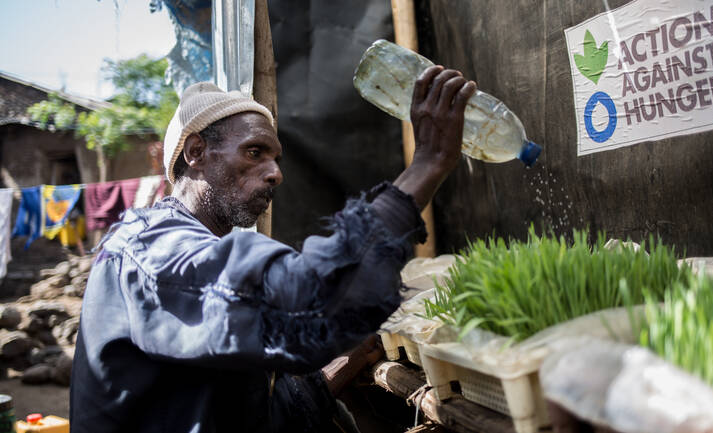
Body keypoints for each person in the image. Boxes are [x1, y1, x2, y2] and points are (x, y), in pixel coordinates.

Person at [70, 65, 476, 433]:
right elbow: (304, 296)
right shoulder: (155, 250)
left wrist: (336, 369)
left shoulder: (194, 245)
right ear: (196, 153)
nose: (276, 173)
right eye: (254, 152)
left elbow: (239, 409)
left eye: (277, 158)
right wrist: (428, 163)